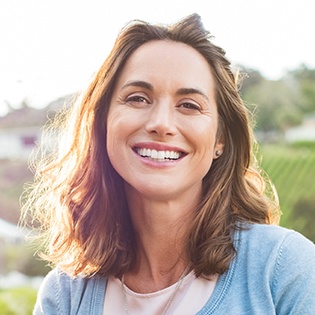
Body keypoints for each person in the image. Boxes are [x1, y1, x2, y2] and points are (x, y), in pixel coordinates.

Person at [22, 14, 315, 314]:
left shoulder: (286, 271)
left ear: (220, 139)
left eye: (189, 105)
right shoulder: (65, 295)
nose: (161, 124)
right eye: (137, 98)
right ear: (103, 123)